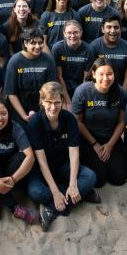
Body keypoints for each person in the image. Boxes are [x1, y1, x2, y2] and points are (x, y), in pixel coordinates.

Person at [27, 82, 99, 232]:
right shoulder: (35, 122)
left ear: (63, 102)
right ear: (42, 102)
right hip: (42, 170)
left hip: (62, 166)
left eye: (57, 103)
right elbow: (41, 161)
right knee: (35, 192)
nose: (53, 107)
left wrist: (73, 184)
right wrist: (54, 192)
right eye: (49, 102)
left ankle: (52, 209)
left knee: (90, 176)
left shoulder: (70, 119)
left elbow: (74, 154)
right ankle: (80, 195)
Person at [71, 58, 127, 188]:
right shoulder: (82, 91)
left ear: (114, 74)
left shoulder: (120, 92)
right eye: (101, 74)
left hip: (110, 137)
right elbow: (78, 122)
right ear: (93, 74)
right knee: (99, 180)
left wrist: (109, 145)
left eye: (109, 74)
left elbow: (122, 122)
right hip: (88, 138)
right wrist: (95, 144)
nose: (106, 78)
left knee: (119, 178)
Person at [3, 27, 57, 123]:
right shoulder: (15, 61)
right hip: (20, 107)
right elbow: (11, 93)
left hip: (43, 106)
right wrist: (24, 116)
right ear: (25, 43)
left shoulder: (48, 59)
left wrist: (43, 112)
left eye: (40, 43)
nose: (37, 46)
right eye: (33, 43)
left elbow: (51, 89)